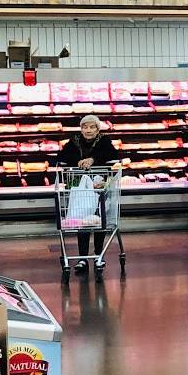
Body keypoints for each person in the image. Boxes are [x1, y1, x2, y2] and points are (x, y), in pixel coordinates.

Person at [57, 114, 118, 268]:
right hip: (80, 188)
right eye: (85, 127)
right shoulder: (74, 141)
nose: (88, 130)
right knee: (83, 220)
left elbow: (113, 156)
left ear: (98, 129)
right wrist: (77, 161)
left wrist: (92, 160)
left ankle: (99, 255)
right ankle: (83, 257)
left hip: (100, 186)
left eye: (92, 127)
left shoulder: (105, 141)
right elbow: (62, 157)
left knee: (99, 220)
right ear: (81, 129)